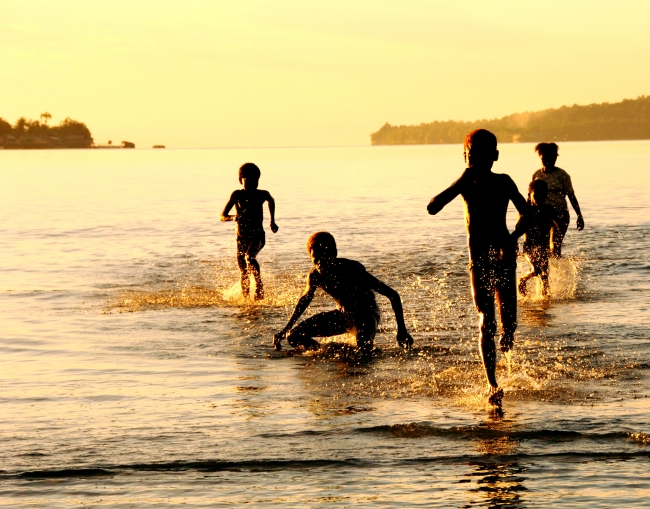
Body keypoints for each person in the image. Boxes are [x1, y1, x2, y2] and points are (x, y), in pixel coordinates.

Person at [427, 129, 532, 406]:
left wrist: (462, 179)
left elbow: (432, 207)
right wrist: (511, 238)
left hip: (491, 258)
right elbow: (529, 216)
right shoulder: (484, 181)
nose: (472, 162)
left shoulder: (481, 181)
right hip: (493, 257)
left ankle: (493, 380)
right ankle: (493, 383)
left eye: (472, 157)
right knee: (491, 320)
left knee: (500, 324)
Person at [273, 231, 413, 354]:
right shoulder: (315, 276)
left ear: (334, 254)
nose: (321, 263)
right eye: (316, 259)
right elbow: (304, 301)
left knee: (363, 344)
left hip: (367, 313)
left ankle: (371, 358)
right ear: (311, 258)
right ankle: (323, 353)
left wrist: (402, 330)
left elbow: (393, 295)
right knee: (293, 336)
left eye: (325, 257)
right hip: (342, 315)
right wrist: (285, 329)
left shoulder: (353, 269)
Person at [220, 162, 278, 300]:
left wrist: (272, 220)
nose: (253, 183)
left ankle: (259, 286)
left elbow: (271, 200)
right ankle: (246, 302)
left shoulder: (262, 194)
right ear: (241, 180)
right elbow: (222, 216)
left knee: (249, 257)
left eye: (255, 180)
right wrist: (233, 217)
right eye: (248, 180)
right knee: (244, 271)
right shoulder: (237, 195)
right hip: (241, 238)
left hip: (258, 236)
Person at [531, 142, 584, 257]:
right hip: (542, 215)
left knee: (554, 246)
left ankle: (559, 271)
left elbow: (571, 196)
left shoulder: (562, 175)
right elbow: (530, 197)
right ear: (540, 157)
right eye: (545, 158)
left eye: (552, 158)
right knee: (542, 247)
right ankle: (544, 272)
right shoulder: (537, 175)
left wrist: (579, 215)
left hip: (560, 214)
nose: (548, 160)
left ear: (555, 158)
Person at [518, 180, 554, 298]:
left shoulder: (549, 209)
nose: (540, 198)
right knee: (536, 269)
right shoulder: (526, 210)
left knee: (545, 278)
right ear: (530, 195)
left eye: (543, 196)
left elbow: (557, 224)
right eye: (537, 195)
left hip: (543, 247)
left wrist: (554, 242)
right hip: (529, 248)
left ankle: (545, 304)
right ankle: (523, 279)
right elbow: (518, 228)